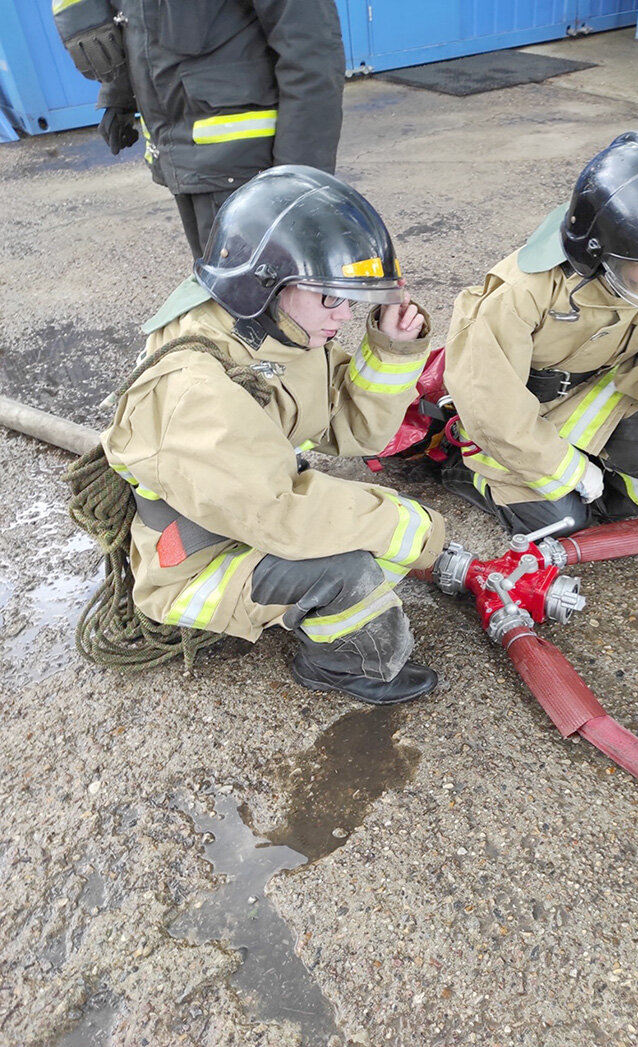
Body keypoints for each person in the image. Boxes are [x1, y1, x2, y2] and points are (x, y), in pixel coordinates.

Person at [99, 166, 445, 704]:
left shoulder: (279, 332)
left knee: (376, 530)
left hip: (243, 510)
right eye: (331, 299)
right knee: (350, 566)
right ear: (265, 282)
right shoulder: (196, 388)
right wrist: (411, 528)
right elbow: (279, 511)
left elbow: (352, 429)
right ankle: (342, 663)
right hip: (195, 564)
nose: (344, 317)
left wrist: (391, 349)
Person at [440, 130, 638, 537]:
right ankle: (463, 471)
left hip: (588, 402)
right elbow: (492, 406)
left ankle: (606, 510)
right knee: (564, 522)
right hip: (515, 419)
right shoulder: (522, 293)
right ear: (603, 249)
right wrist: (566, 468)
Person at [53, 0, 345, 258]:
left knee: (265, 301)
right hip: (184, 157)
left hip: (250, 168)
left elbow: (312, 55)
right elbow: (139, 22)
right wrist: (118, 93)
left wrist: (297, 183)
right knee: (219, 290)